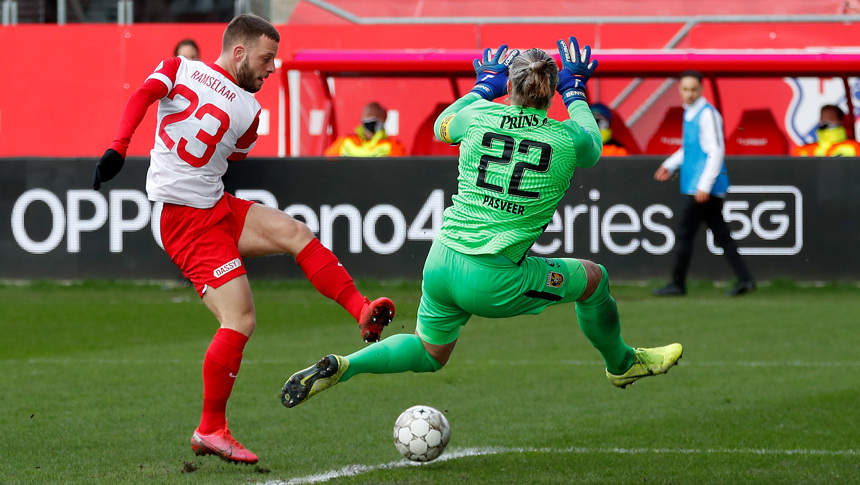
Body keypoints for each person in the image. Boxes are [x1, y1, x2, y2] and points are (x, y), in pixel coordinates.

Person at [279, 38, 683, 412]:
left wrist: (482, 86)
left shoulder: (477, 116)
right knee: (594, 279)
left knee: (428, 351)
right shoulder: (565, 138)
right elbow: (593, 148)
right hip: (494, 277)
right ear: (550, 90)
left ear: (510, 85)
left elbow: (443, 124)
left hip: (442, 261)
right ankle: (622, 363)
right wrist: (576, 90)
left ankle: (347, 364)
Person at [91, 14, 395, 465]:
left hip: (211, 205)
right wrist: (122, 146)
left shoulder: (179, 69)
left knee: (295, 233)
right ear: (238, 52)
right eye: (266, 58)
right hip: (184, 218)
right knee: (239, 320)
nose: (272, 68)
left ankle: (361, 309)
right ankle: (210, 429)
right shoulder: (250, 114)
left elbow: (143, 95)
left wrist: (119, 146)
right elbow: (231, 151)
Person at [652, 70, 755, 297]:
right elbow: (689, 148)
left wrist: (705, 185)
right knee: (720, 233)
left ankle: (677, 284)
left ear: (701, 89)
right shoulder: (691, 113)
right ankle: (745, 279)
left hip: (702, 187)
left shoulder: (708, 114)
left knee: (685, 232)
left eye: (693, 89)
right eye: (685, 89)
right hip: (697, 185)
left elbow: (716, 150)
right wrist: (670, 165)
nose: (689, 94)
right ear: (680, 89)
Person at [323, 101, 407, 157]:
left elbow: (400, 172)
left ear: (385, 119)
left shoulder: (393, 146)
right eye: (369, 115)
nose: (373, 118)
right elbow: (327, 164)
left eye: (378, 115)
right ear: (361, 118)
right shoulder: (345, 142)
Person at [792, 104, 860, 157]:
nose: (826, 122)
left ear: (841, 121)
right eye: (823, 118)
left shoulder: (854, 147)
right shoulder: (803, 150)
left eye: (831, 118)